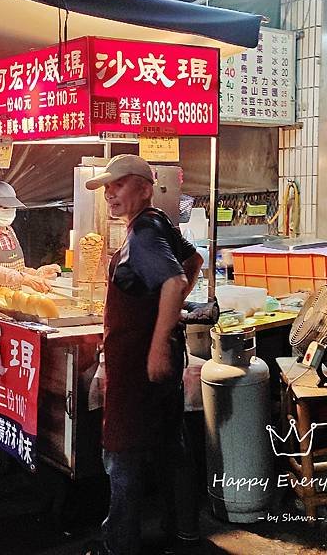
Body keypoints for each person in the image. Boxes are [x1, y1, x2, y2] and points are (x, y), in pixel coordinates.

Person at [83, 155, 203, 555]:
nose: (110, 195)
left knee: (122, 453)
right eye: (106, 188)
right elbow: (193, 261)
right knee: (171, 445)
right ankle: (183, 532)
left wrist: (155, 343)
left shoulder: (144, 233)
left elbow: (173, 280)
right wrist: (164, 321)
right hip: (159, 357)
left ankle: (120, 545)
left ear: (146, 187)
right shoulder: (158, 222)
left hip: (138, 362)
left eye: (118, 185)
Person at [0, 181, 60, 292]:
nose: (9, 211)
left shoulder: (9, 231)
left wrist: (36, 274)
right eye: (3, 207)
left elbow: (15, 269)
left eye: (12, 207)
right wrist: (26, 279)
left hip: (9, 301)